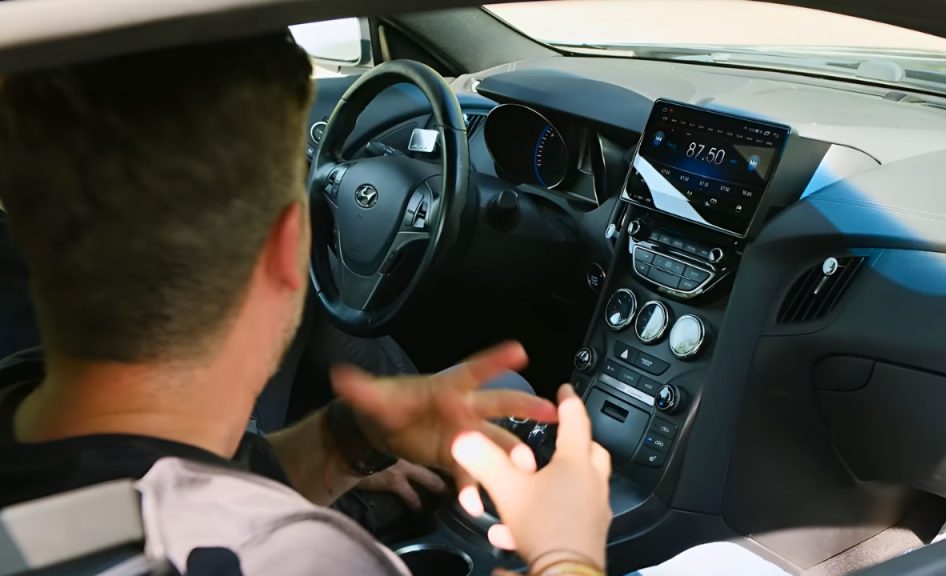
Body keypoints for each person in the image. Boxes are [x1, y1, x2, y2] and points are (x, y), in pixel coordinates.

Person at [0, 31, 613, 575]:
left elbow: (146, 501)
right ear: (290, 244)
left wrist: (344, 440)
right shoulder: (296, 557)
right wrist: (566, 551)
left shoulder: (20, 398)